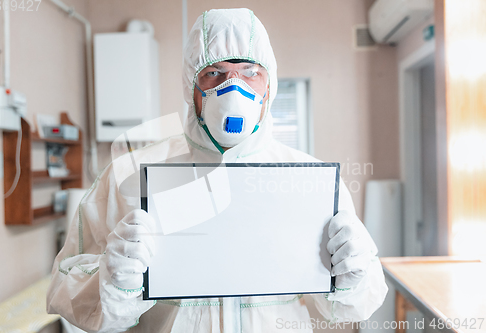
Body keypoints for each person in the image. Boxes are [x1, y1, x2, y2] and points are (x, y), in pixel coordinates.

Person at [47, 8, 388, 333]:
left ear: (269, 86)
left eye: (250, 72)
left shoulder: (307, 181)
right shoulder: (131, 175)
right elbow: (67, 290)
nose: (233, 87)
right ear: (190, 87)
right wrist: (113, 280)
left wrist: (352, 277)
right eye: (215, 73)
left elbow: (348, 307)